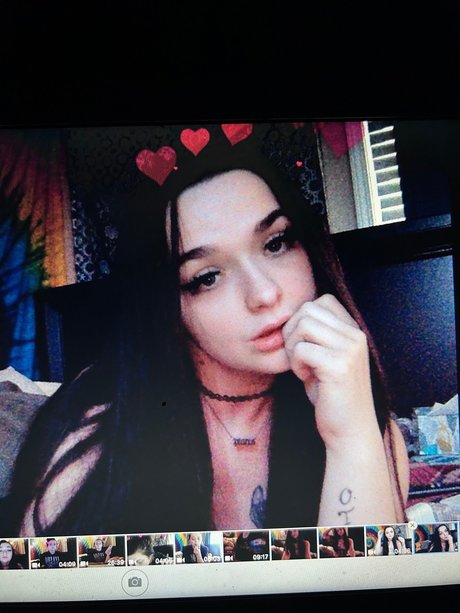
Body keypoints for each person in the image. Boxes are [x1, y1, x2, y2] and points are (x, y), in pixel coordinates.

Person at [5, 122, 409, 537]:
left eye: (275, 243)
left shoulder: (363, 423)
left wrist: (351, 437)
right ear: (165, 306)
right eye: (207, 277)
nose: (264, 293)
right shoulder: (95, 448)